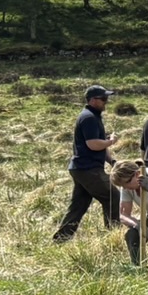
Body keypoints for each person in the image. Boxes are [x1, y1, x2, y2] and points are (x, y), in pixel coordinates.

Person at [53, 85, 120, 241]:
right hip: (88, 169)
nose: (106, 101)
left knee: (79, 205)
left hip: (81, 168)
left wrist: (112, 161)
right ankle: (114, 237)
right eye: (103, 98)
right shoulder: (89, 118)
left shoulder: (93, 116)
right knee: (113, 195)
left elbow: (99, 144)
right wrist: (111, 141)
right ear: (92, 100)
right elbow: (93, 144)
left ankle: (61, 238)